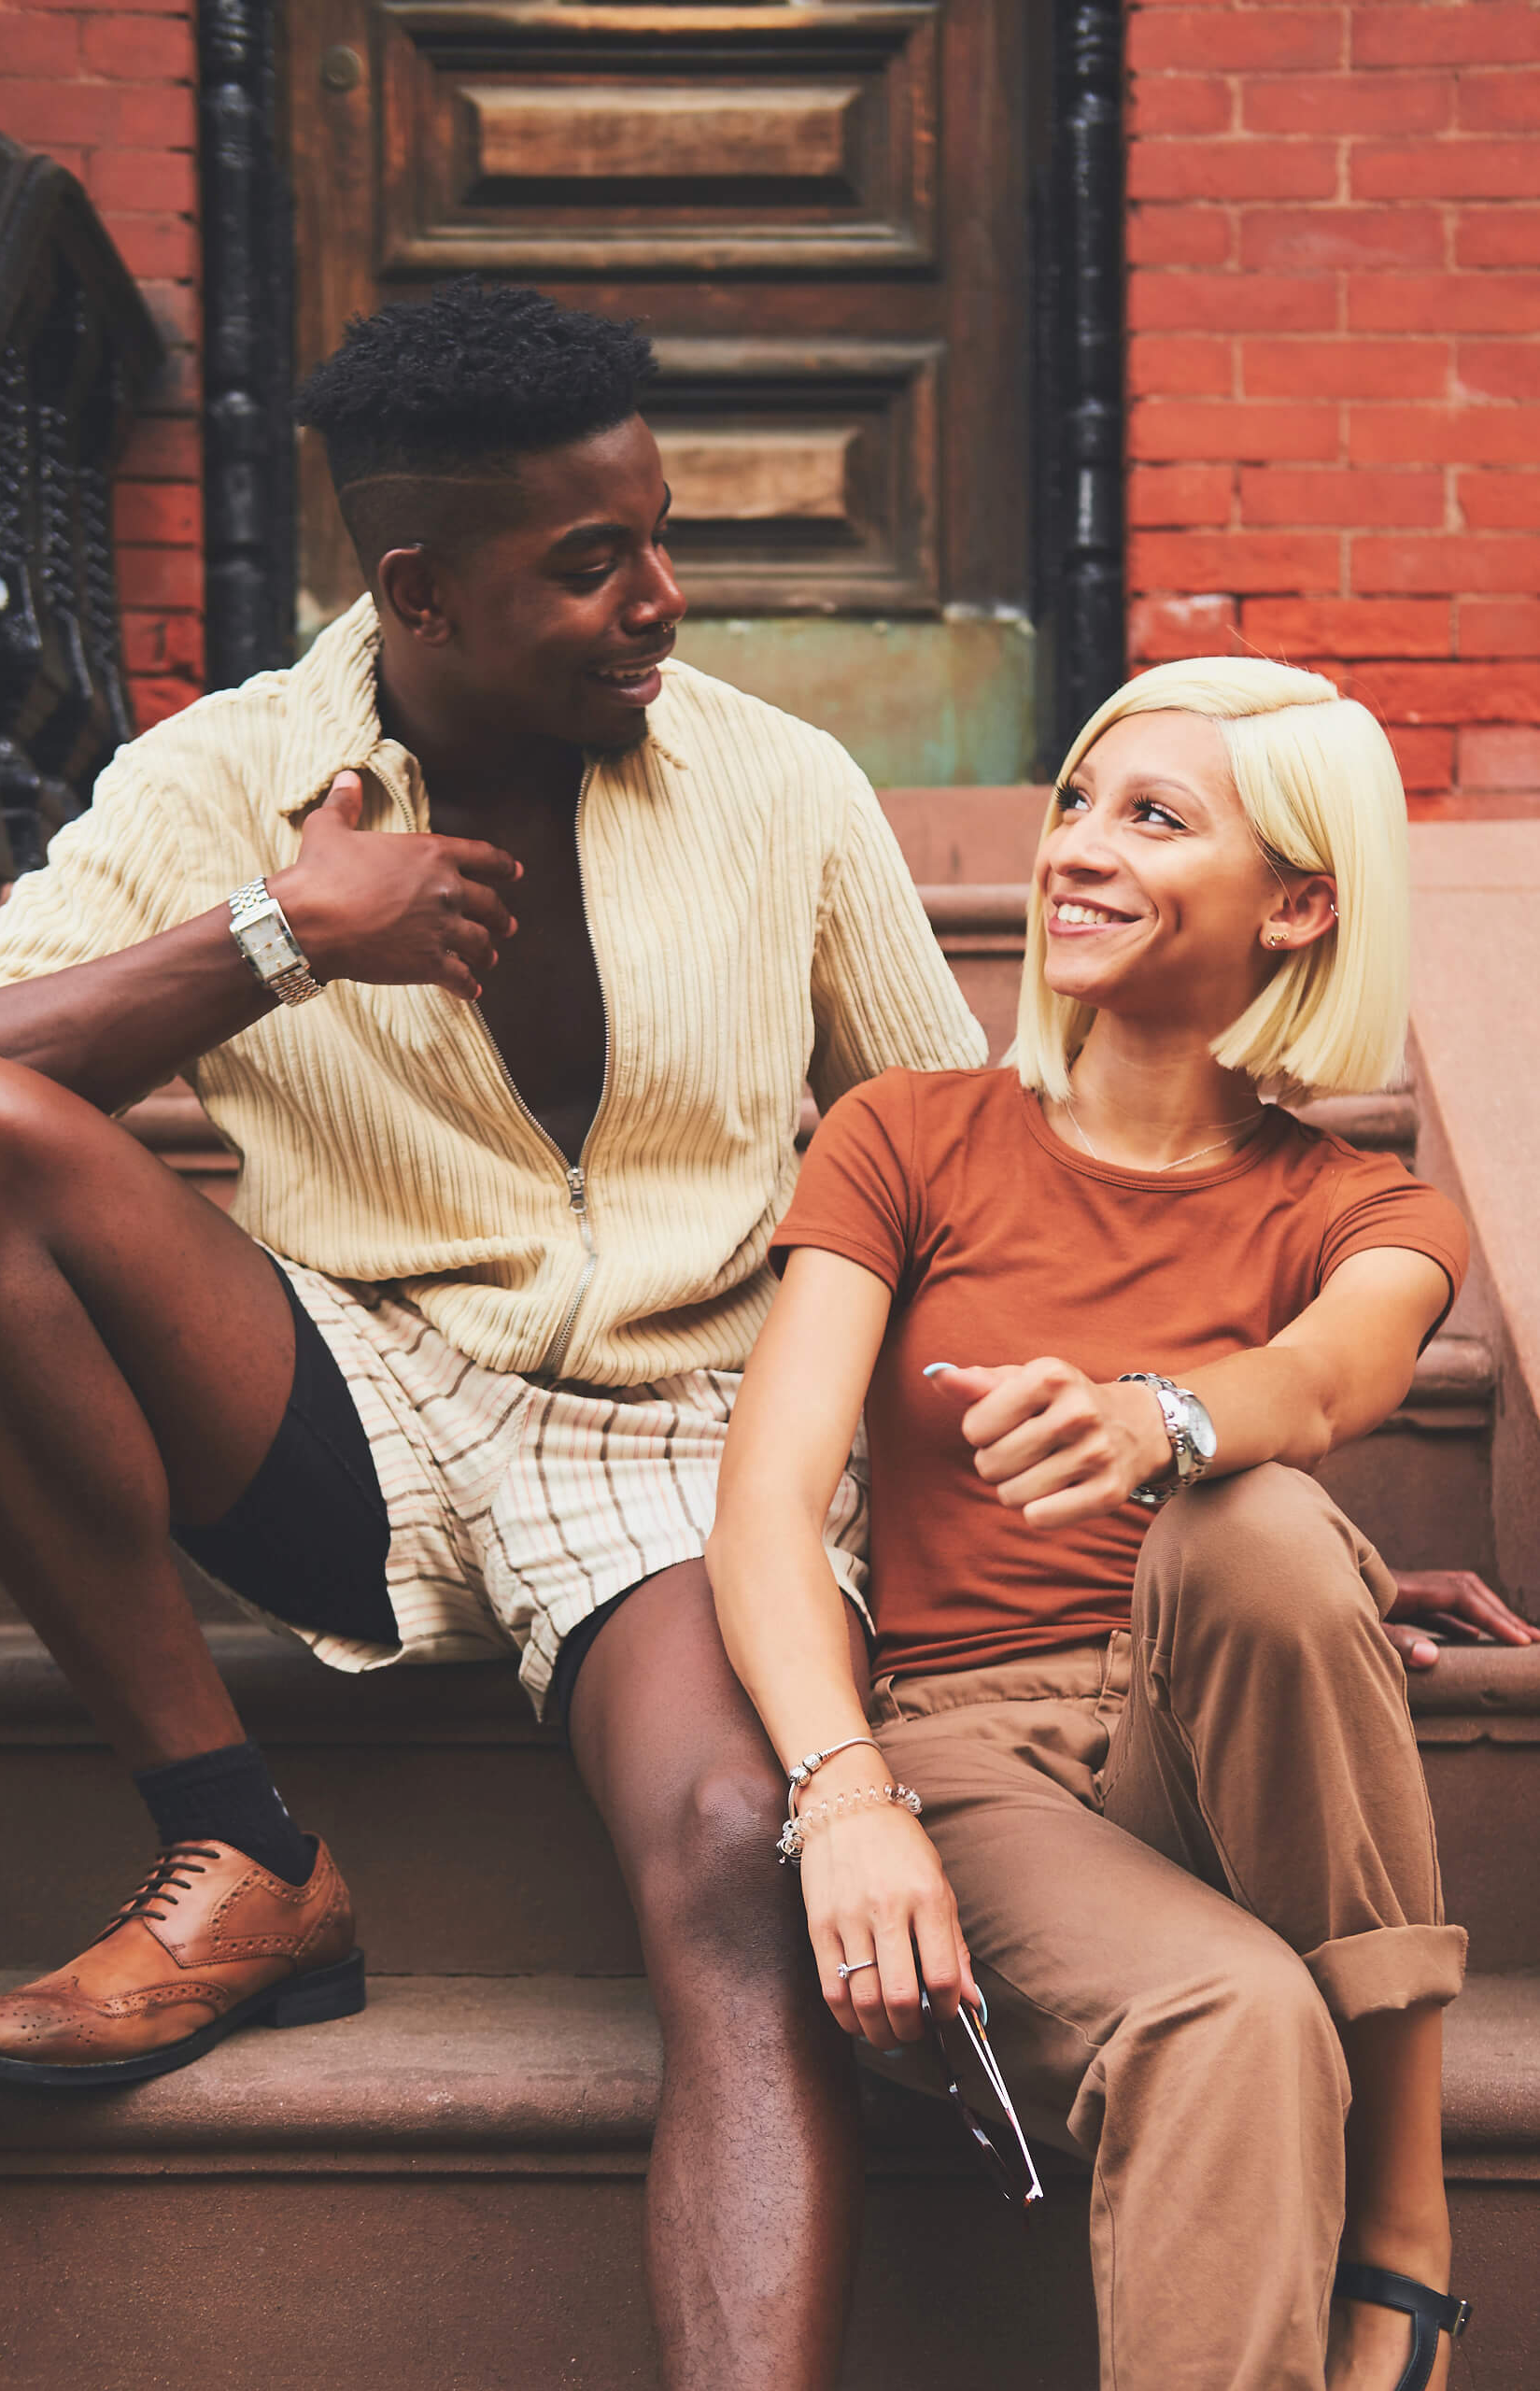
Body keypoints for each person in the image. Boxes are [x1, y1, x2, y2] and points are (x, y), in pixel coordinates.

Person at [0, 280, 986, 2390]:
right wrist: (274, 940)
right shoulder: (226, 772)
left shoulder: (781, 787)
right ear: (417, 586)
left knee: (730, 1852)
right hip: (349, 1390)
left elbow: (967, 1176)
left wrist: (1217, 1463)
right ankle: (243, 1848)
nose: (659, 598)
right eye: (590, 562)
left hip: (684, 1441)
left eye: (662, 536)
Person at [708, 657, 1539, 2391]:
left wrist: (1156, 1422)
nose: (1077, 847)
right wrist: (844, 1793)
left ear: (1301, 903)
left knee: (1260, 1527)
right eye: (1076, 799)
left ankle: (1401, 2215)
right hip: (972, 1755)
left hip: (1214, 1740)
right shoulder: (905, 1136)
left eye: (1154, 818)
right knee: (1230, 2017)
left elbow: (1321, 1383)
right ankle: (1390, 2245)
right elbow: (770, 1506)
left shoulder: (1368, 1204)